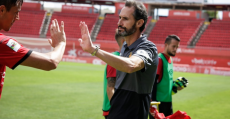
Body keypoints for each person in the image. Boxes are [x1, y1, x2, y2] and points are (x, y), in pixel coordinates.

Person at [78, 1, 158, 119]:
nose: (119, 23)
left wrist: (94, 50)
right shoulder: (125, 47)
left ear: (139, 23)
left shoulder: (148, 47)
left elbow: (131, 65)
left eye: (125, 19)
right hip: (115, 113)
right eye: (120, 17)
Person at [0, 0, 66, 98]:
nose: (17, 17)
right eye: (16, 12)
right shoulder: (4, 43)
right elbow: (51, 62)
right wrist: (61, 43)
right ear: (2, 10)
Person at [149, 35, 188, 118]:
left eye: (177, 47)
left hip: (168, 102)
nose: (175, 49)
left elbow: (164, 82)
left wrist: (175, 87)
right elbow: (152, 83)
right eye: (173, 46)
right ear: (166, 45)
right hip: (158, 104)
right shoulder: (159, 59)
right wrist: (154, 104)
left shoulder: (170, 59)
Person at [102, 30, 124, 119]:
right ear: (124, 41)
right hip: (114, 110)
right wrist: (119, 110)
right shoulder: (115, 59)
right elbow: (110, 88)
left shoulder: (122, 59)